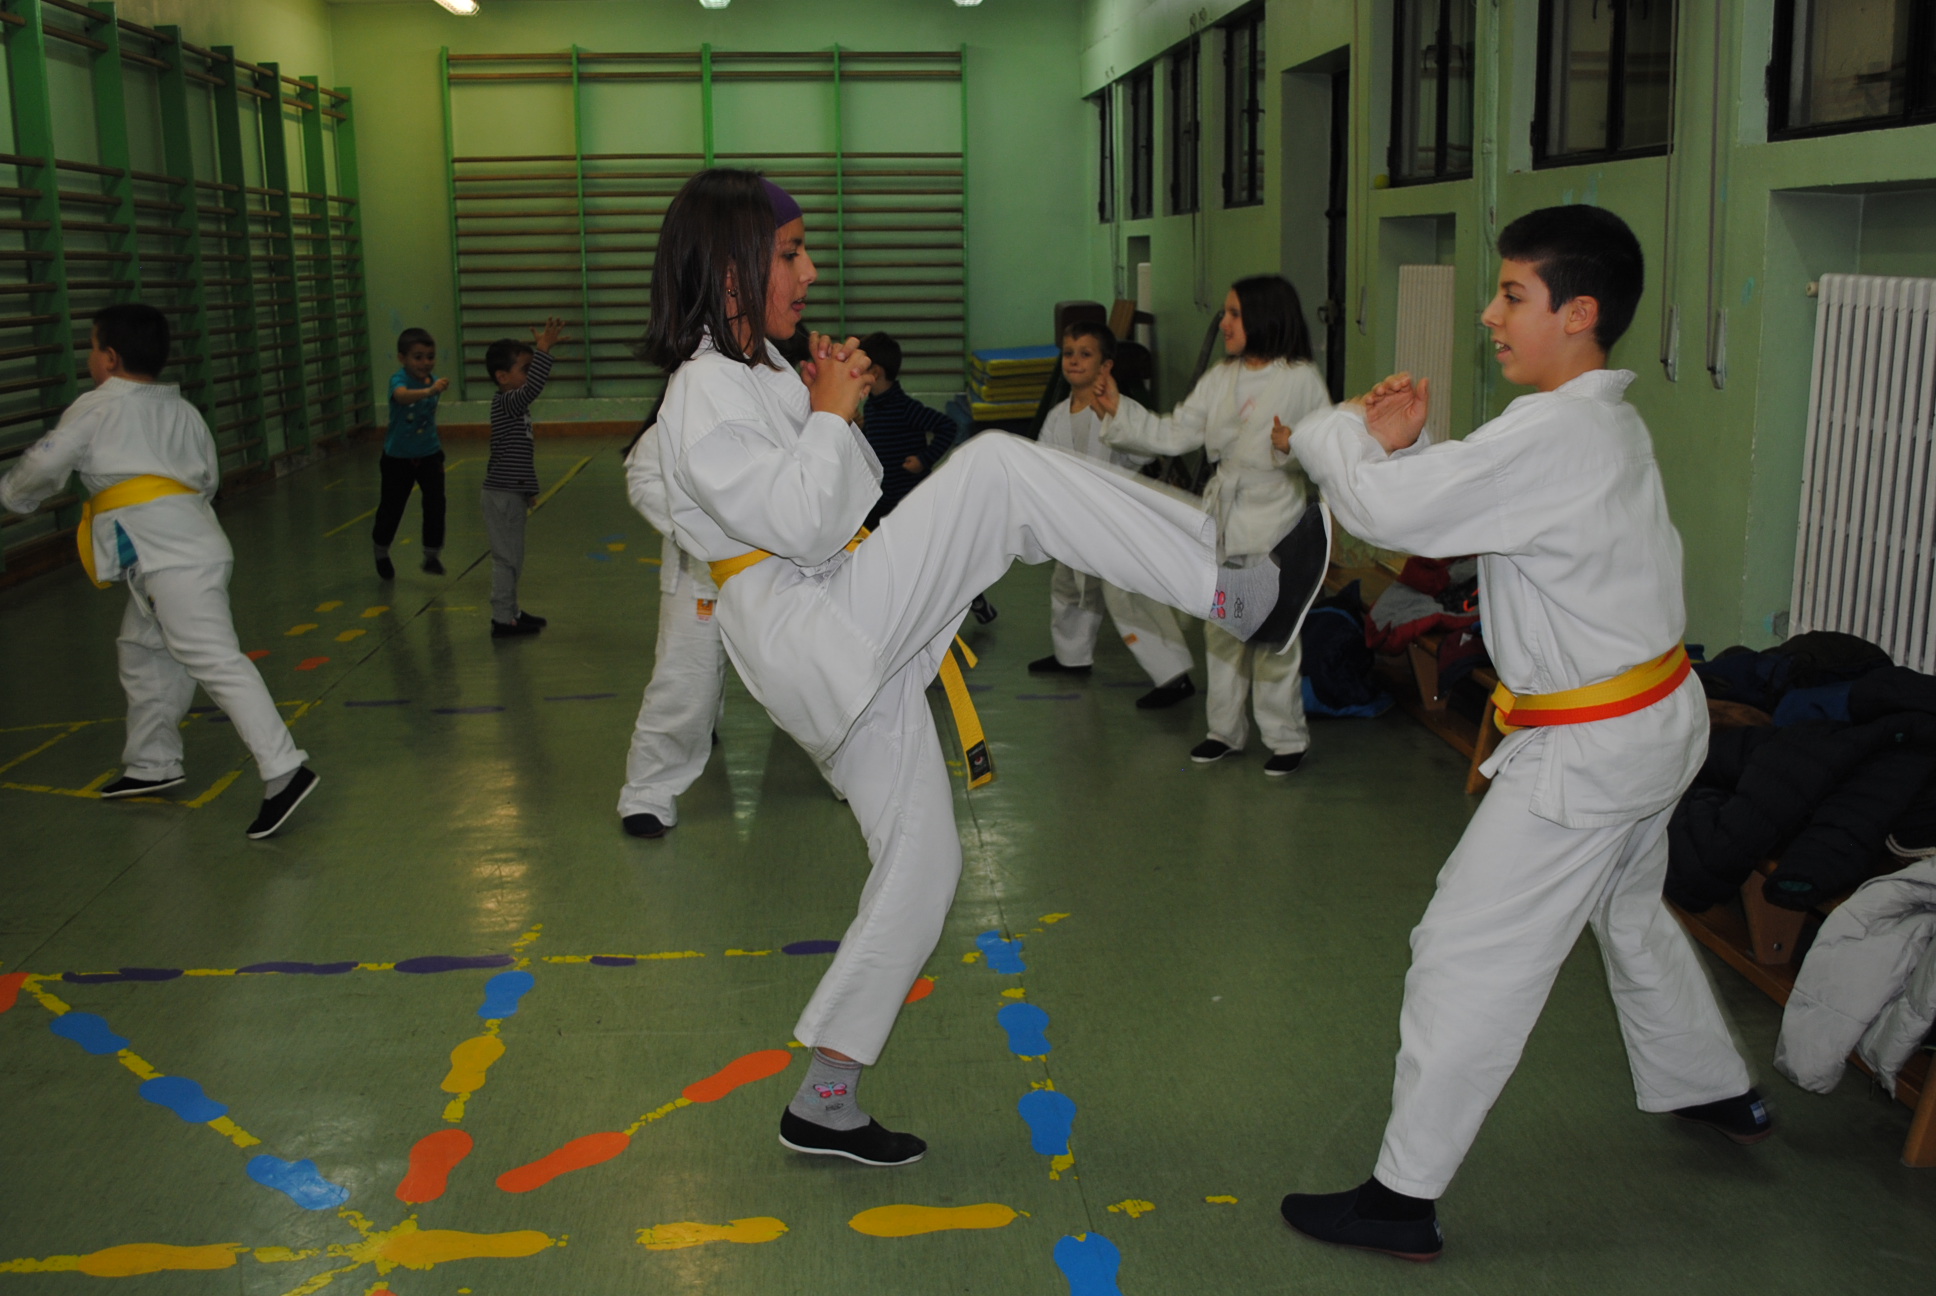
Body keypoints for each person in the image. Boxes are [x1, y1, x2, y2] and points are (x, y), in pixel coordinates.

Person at [644, 168, 1329, 1168]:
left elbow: (843, 501)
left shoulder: (760, 374)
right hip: (812, 624)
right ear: (732, 267)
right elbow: (798, 519)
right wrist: (828, 415)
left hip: (839, 626)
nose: (811, 270)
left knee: (925, 866)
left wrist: (834, 406)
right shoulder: (702, 387)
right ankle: (1233, 596)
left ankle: (825, 1097)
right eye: (791, 253)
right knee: (1002, 471)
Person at [1277, 206, 1763, 1263]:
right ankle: (1712, 1085)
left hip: (1591, 753)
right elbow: (1495, 508)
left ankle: (1400, 1200)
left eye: (1511, 295)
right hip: (1655, 720)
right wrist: (1416, 450)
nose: (1490, 316)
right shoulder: (1598, 423)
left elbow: (1392, 516)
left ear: (1578, 313)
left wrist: (1338, 431)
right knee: (1624, 908)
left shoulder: (1554, 432)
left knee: (1462, 955)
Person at [0, 304, 318, 839]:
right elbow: (208, 480)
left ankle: (284, 769)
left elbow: (45, 463)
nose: (88, 357)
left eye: (92, 347)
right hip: (183, 545)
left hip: (171, 557)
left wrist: (12, 495)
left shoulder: (97, 407)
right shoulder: (184, 412)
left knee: (213, 658)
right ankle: (153, 763)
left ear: (110, 357)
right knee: (144, 649)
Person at [1095, 274, 1331, 776]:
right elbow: (1175, 431)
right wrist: (1121, 411)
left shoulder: (1301, 380)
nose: (1223, 322)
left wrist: (1293, 447)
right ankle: (1223, 731)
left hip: (1276, 518)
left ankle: (1286, 738)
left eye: (1234, 314)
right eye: (1225, 312)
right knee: (1222, 630)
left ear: (1263, 318)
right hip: (1225, 518)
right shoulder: (1220, 378)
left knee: (1274, 637)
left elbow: (1327, 448)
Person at [1031, 321, 1195, 709]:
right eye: (1068, 353)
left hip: (1118, 521)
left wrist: (1115, 420)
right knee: (1069, 587)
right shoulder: (1057, 416)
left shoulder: (1121, 409)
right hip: (1074, 521)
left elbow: (1146, 449)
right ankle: (1071, 656)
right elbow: (1043, 463)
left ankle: (1173, 676)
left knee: (1128, 598)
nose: (1074, 361)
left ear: (1106, 366)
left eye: (1085, 354)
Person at [616, 419, 726, 840]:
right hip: (700, 574)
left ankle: (850, 773)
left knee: (806, 677)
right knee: (686, 682)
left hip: (785, 570)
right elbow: (644, 478)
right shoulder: (683, 410)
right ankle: (648, 793)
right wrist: (704, 529)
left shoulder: (793, 396)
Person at [856, 331, 997, 626]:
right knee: (874, 550)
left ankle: (974, 597)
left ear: (876, 372)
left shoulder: (905, 408)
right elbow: (875, 442)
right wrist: (862, 427)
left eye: (861, 369)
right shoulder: (872, 407)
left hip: (910, 498)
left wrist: (924, 459)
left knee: (938, 559)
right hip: (883, 498)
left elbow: (947, 426)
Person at [481, 318, 566, 639]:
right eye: (525, 369)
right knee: (506, 559)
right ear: (502, 377)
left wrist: (528, 489)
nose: (529, 375)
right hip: (501, 495)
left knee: (514, 557)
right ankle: (502, 619)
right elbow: (532, 389)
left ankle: (512, 612)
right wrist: (543, 350)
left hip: (511, 492)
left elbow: (516, 455)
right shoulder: (508, 402)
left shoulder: (514, 406)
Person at [373, 327, 450, 579]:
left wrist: (432, 388)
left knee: (436, 503)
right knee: (392, 507)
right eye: (418, 357)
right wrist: (429, 392)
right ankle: (381, 551)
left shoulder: (432, 381)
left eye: (430, 357)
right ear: (402, 358)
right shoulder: (399, 381)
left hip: (429, 454)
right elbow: (401, 397)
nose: (425, 362)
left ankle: (431, 554)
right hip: (398, 458)